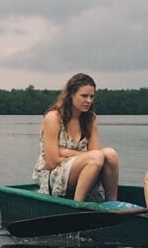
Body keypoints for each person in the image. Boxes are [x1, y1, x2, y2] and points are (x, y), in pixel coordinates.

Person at [33, 72, 120, 201]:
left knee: (111, 154)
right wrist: (82, 155)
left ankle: (112, 202)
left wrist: (67, 152)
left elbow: (95, 153)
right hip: (52, 177)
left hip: (82, 170)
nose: (89, 101)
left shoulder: (90, 119)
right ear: (71, 94)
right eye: (84, 96)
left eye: (92, 96)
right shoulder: (54, 118)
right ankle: (77, 203)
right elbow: (52, 162)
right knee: (96, 156)